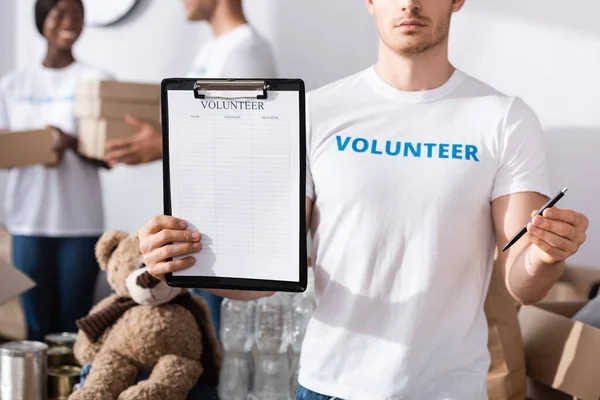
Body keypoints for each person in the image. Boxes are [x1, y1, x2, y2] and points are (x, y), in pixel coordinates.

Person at [138, 0, 590, 399]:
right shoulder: (316, 112)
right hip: (330, 385)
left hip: (448, 390)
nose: (410, 4)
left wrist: (546, 256)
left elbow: (521, 281)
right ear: (370, 1)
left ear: (457, 0)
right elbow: (267, 277)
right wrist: (181, 260)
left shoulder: (503, 118)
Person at [103, 0, 277, 338]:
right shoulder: (214, 50)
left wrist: (163, 145)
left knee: (219, 352)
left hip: (227, 236)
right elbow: (207, 130)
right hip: (200, 231)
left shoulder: (246, 51)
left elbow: (252, 148)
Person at [0, 0, 112, 341]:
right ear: (41, 19)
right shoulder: (13, 85)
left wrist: (70, 142)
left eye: (78, 16)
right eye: (60, 14)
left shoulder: (96, 81)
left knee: (76, 328)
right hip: (27, 222)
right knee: (36, 330)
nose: (70, 23)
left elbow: (108, 156)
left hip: (79, 224)